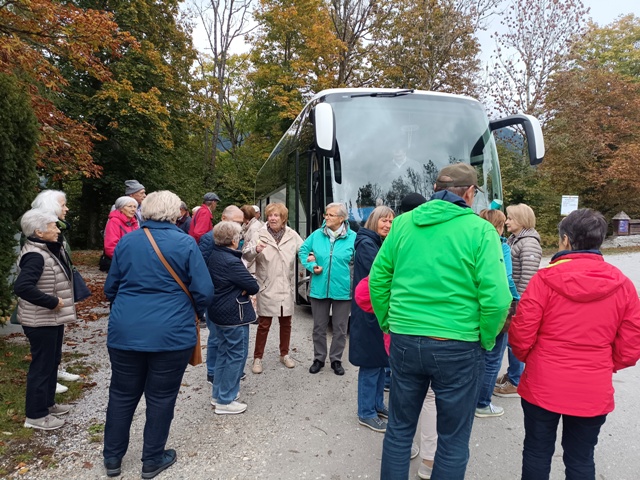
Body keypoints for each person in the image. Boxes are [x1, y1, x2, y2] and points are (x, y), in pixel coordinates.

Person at [368, 163, 512, 479]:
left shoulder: (402, 224)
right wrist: (486, 338)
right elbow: (498, 298)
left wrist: (389, 322)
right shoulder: (480, 230)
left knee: (399, 430)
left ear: (435, 189)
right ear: (470, 193)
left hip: (405, 339)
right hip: (458, 343)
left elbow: (377, 280)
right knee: (452, 439)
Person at [510, 208, 640, 480]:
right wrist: (603, 363)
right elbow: (630, 347)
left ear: (566, 240)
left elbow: (521, 333)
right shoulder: (623, 285)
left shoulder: (544, 280)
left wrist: (532, 358)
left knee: (536, 451)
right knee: (581, 457)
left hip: (543, 382)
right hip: (592, 386)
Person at [103, 191, 214, 479]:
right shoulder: (185, 243)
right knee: (162, 397)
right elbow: (204, 291)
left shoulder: (127, 241)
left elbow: (110, 288)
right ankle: (152, 459)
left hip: (126, 330)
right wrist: (191, 311)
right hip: (171, 333)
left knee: (121, 394)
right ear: (176, 213)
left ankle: (112, 457)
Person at [14, 209, 77, 430]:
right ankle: (36, 416)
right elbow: (22, 287)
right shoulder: (35, 255)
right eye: (53, 226)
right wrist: (51, 302)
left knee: (52, 362)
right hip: (40, 321)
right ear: (39, 232)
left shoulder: (46, 249)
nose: (58, 229)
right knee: (42, 366)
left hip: (51, 319)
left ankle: (48, 404)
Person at [348, 206, 394, 433]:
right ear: (374, 220)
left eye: (391, 222)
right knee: (370, 363)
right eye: (384, 220)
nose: (387, 225)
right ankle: (366, 412)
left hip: (376, 310)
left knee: (379, 361)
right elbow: (381, 274)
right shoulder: (367, 244)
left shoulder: (376, 242)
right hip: (368, 311)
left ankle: (377, 404)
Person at [30, 189, 81, 392]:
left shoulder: (56, 227)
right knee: (45, 342)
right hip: (46, 295)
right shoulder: (40, 228)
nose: (66, 209)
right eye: (62, 205)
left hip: (57, 290)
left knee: (57, 335)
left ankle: (55, 371)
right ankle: (47, 379)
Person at [243, 203, 303, 373]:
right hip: (266, 285)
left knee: (286, 323)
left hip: (285, 285)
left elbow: (304, 250)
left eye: (276, 215)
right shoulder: (259, 233)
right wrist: (255, 249)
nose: (272, 218)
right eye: (270, 215)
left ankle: (284, 354)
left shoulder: (292, 235)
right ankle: (258, 358)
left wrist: (311, 256)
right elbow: (246, 255)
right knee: (264, 324)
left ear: (283, 218)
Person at [207, 221, 259, 415]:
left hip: (219, 313)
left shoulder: (214, 255)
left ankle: (218, 394)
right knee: (236, 355)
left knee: (223, 353)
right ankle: (226, 399)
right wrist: (243, 287)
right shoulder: (231, 261)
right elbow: (253, 286)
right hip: (234, 315)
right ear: (234, 240)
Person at [299, 203, 356, 376]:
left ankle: (336, 359)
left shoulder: (353, 237)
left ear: (342, 218)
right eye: (326, 214)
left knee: (340, 328)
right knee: (319, 327)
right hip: (319, 288)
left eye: (331, 215)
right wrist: (312, 265)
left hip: (343, 290)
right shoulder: (317, 235)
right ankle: (319, 358)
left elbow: (360, 261)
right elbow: (303, 251)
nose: (326, 217)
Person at [494, 203, 542, 398]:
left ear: (521, 220)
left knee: (515, 341)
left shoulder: (529, 243)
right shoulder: (515, 239)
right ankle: (513, 374)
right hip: (513, 300)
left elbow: (528, 278)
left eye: (510, 218)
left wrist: (518, 304)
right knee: (510, 340)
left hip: (519, 302)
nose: (507, 222)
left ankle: (515, 381)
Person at [475, 209, 520, 418]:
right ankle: (482, 404)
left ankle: (470, 399)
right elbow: (506, 278)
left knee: (475, 355)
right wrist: (517, 299)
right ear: (499, 226)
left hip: (473, 305)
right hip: (496, 307)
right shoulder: (501, 247)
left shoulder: (472, 243)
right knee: (493, 357)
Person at [198, 205, 245, 386]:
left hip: (230, 295)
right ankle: (212, 371)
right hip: (216, 295)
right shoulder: (208, 238)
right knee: (216, 336)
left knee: (227, 336)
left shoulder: (236, 236)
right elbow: (201, 267)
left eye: (241, 223)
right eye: (236, 222)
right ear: (224, 219)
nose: (239, 226)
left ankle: (227, 370)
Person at [240, 204, 264, 275]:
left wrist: (246, 264)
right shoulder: (248, 225)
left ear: (245, 216)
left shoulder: (254, 228)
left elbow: (253, 248)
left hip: (252, 268)